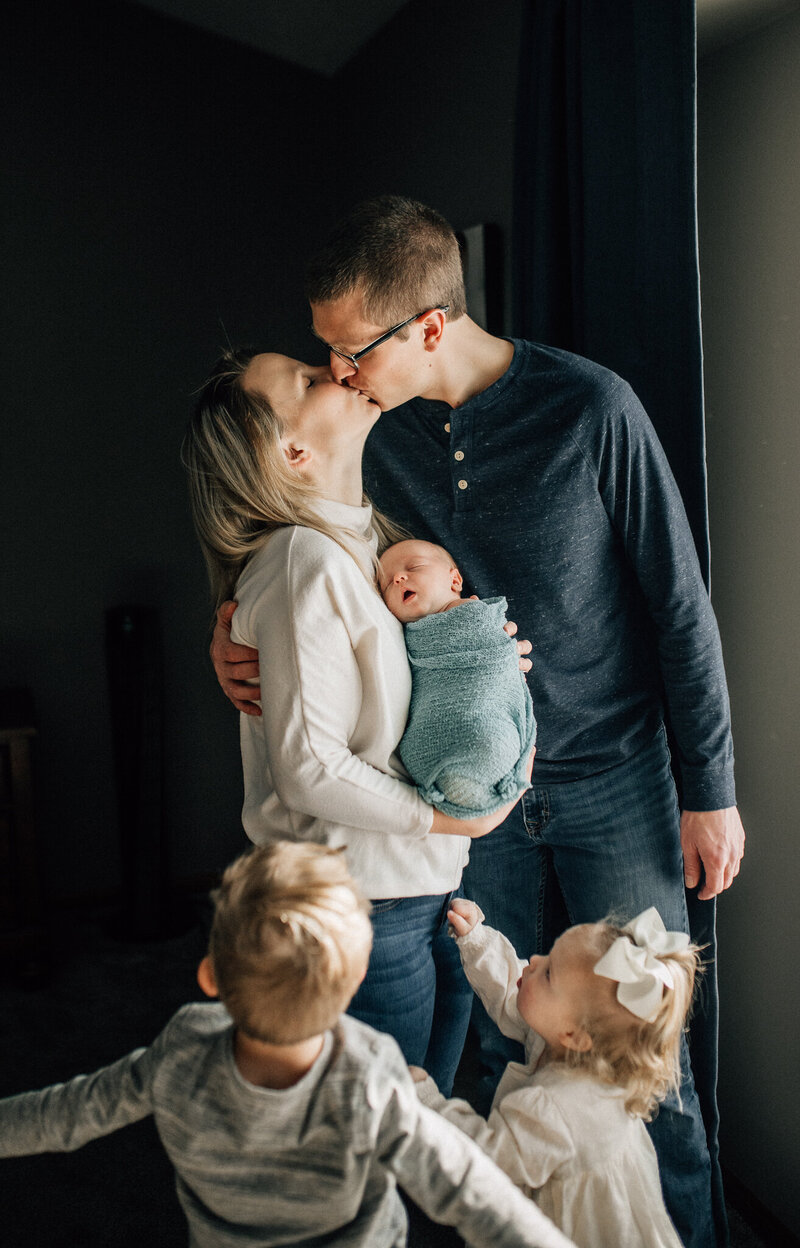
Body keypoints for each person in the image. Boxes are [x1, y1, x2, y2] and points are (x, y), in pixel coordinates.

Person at [209, 196, 745, 1247]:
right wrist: (224, 633)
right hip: (449, 801)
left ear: (426, 328)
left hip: (614, 783)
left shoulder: (591, 409)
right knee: (505, 1056)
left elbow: (676, 602)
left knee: (654, 1079)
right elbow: (288, 540)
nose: (336, 373)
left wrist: (708, 789)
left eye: (346, 347)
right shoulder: (367, 438)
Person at [183, 349, 528, 1097]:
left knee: (422, 1125)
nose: (339, 373)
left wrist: (484, 668)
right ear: (293, 453)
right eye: (310, 382)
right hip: (365, 906)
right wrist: (452, 824)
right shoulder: (304, 559)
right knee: (378, 1141)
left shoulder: (370, 548)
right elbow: (309, 767)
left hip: (422, 895)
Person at [0, 842, 576, 1248]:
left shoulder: (183, 1048)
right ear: (352, 984)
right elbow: (464, 1187)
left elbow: (70, 1111)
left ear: (210, 978)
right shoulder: (367, 1071)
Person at [411, 899, 699, 1248]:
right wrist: (477, 939)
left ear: (575, 1035)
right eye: (548, 957)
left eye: (548, 973)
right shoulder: (581, 1047)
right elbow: (514, 990)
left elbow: (487, 1159)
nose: (534, 961)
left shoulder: (555, 1110)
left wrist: (426, 1103)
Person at [379, 538, 537, 817]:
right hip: (432, 732)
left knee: (486, 733)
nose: (399, 578)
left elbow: (497, 662)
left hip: (484, 720)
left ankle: (485, 757)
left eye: (413, 567)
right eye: (387, 584)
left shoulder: (479, 614)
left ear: (454, 580)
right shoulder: (400, 638)